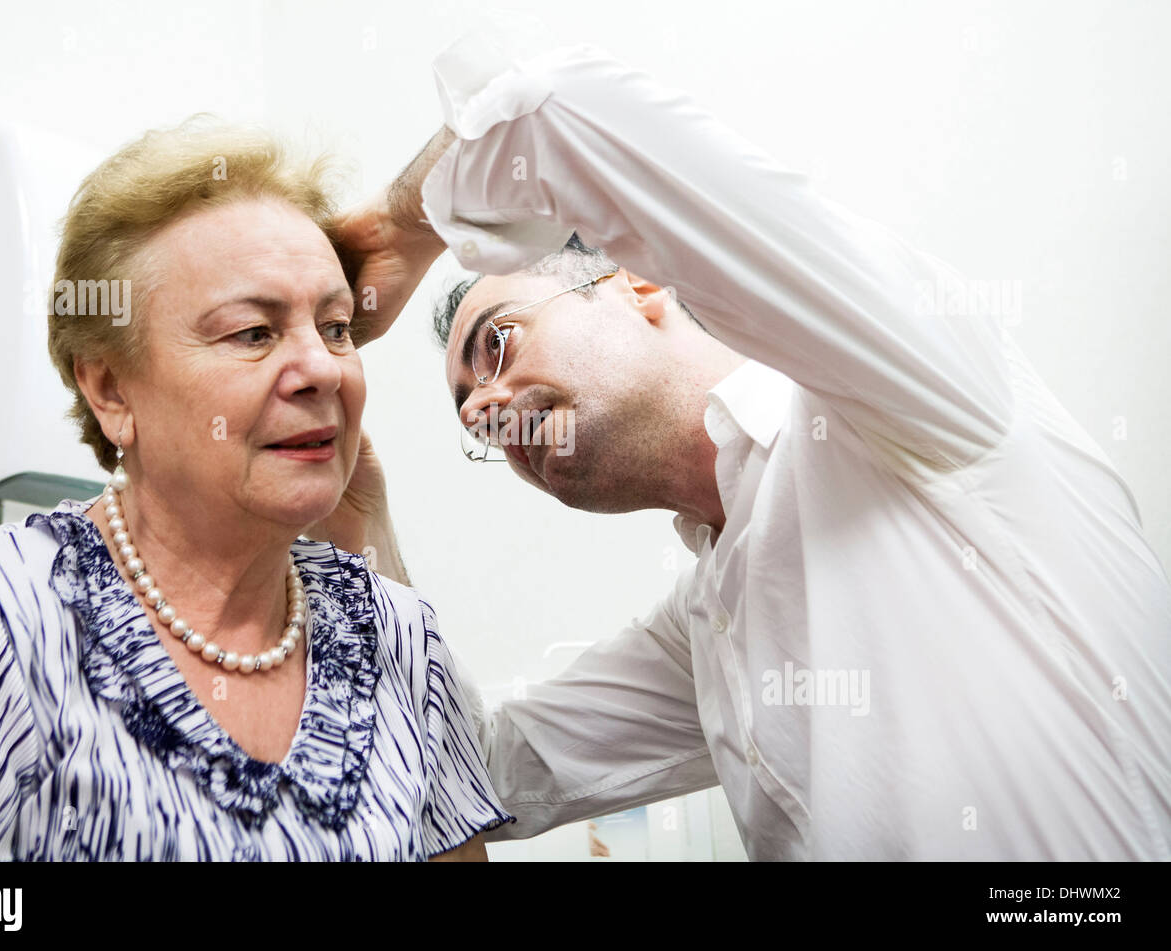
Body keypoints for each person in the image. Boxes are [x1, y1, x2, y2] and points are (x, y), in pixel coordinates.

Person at [331, 35, 1171, 859]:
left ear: (638, 284)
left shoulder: (901, 398)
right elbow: (480, 774)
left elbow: (558, 109)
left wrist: (397, 230)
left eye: (497, 344)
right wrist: (356, 522)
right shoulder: (705, 628)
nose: (486, 405)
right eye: (471, 415)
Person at [0, 117, 512, 861]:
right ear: (111, 388)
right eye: (252, 333)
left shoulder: (399, 633)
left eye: (336, 328)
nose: (325, 368)